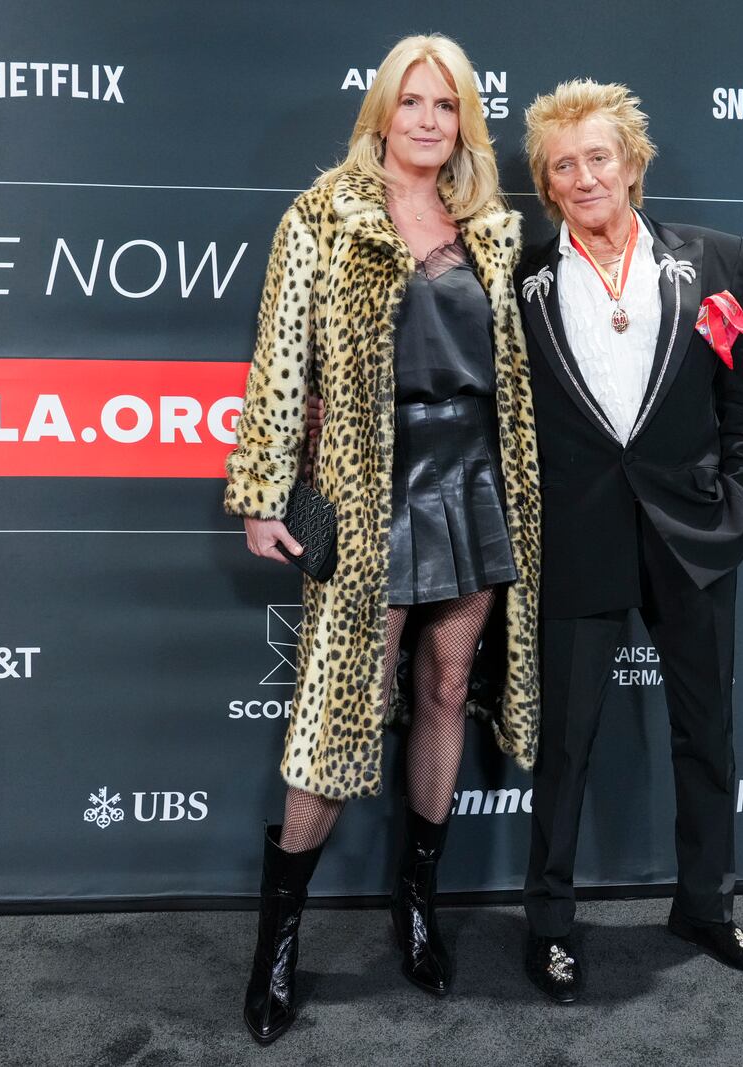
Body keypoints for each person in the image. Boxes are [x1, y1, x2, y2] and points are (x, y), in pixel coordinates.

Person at [223, 34, 540, 1045]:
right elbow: (279, 361)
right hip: (370, 485)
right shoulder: (319, 216)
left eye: (443, 105)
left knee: (447, 685)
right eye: (409, 101)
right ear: (380, 113)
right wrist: (263, 489)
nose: (425, 120)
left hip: (474, 475)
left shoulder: (491, 227)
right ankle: (279, 937)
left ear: (463, 121)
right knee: (338, 707)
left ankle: (416, 902)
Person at [514, 79, 743, 1003]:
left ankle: (705, 905)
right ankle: (549, 922)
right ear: (548, 186)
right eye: (563, 165)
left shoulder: (715, 259)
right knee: (567, 743)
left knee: (707, 733)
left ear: (631, 162)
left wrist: (737, 507)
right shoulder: (520, 277)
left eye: (598, 157)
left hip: (693, 536)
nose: (584, 177)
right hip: (576, 539)